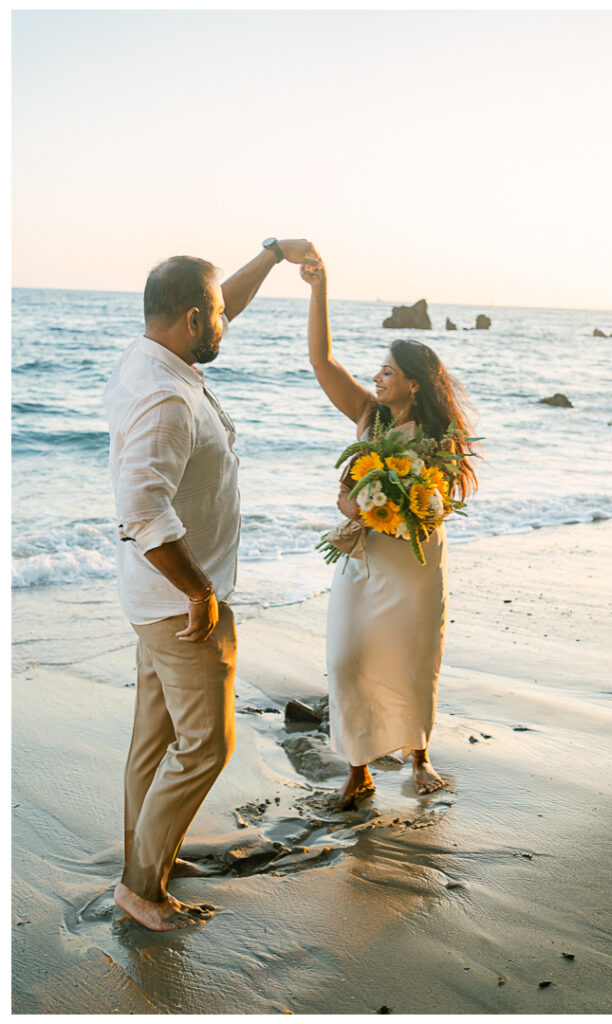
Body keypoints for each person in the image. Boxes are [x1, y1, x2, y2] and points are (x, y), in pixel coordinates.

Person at [104, 239, 319, 931]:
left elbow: (221, 300)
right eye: (220, 315)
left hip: (151, 598)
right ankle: (142, 888)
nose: (229, 321)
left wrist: (271, 255)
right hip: (181, 606)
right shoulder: (167, 397)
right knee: (207, 746)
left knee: (153, 741)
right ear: (194, 320)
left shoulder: (151, 356)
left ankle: (151, 857)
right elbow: (141, 508)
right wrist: (200, 594)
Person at [300, 257, 478, 810]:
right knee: (348, 657)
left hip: (414, 565)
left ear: (413, 384)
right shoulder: (368, 417)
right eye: (377, 370)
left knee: (413, 656)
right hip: (364, 561)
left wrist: (391, 507)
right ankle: (358, 771)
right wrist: (320, 288)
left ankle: (418, 754)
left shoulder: (437, 437)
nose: (376, 377)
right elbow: (322, 360)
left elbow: (438, 508)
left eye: (386, 372)